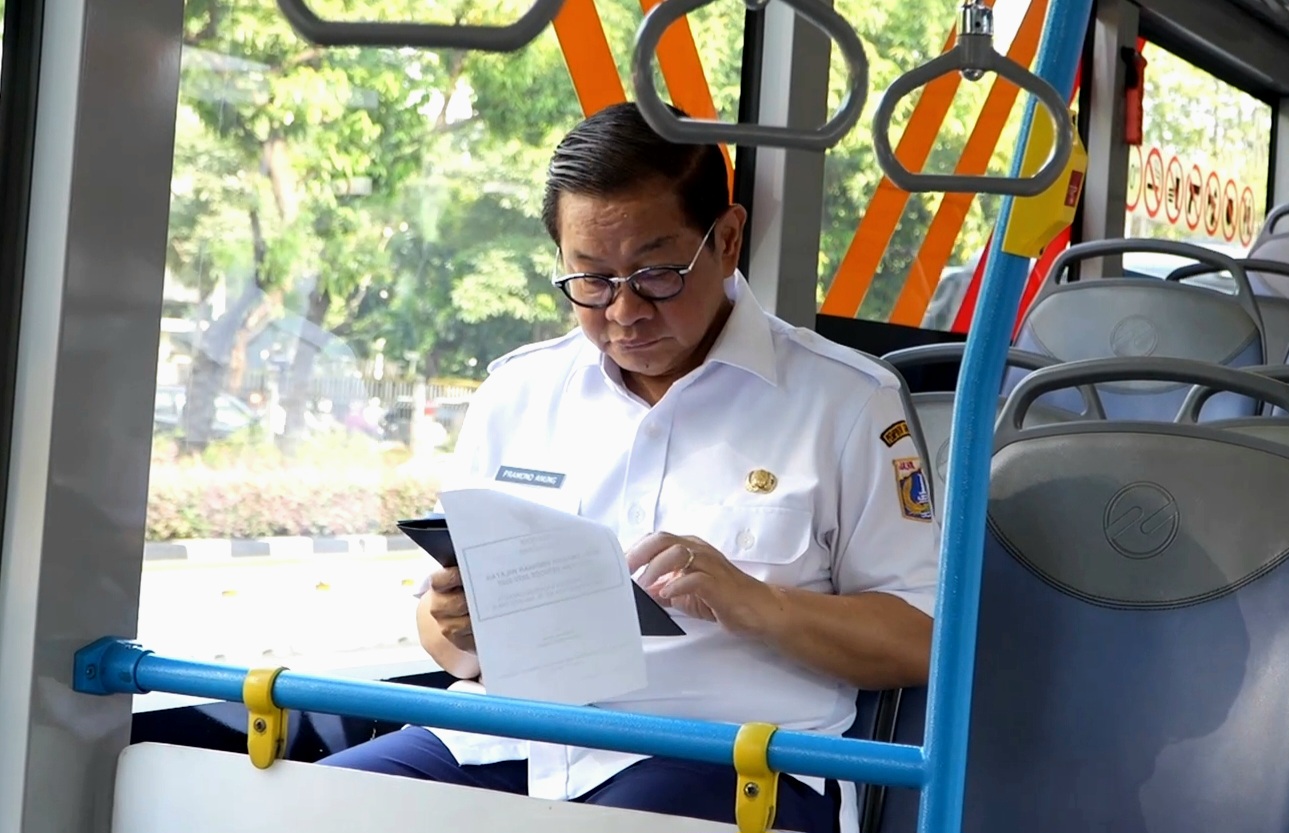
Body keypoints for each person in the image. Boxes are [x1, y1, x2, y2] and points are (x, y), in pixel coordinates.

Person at [319, 101, 938, 833]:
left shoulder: (845, 403)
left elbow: (920, 639)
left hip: (725, 761)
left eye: (656, 273)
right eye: (590, 279)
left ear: (728, 238)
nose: (623, 311)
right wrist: (454, 624)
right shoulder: (517, 393)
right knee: (300, 804)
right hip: (501, 742)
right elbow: (438, 629)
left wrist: (760, 605)